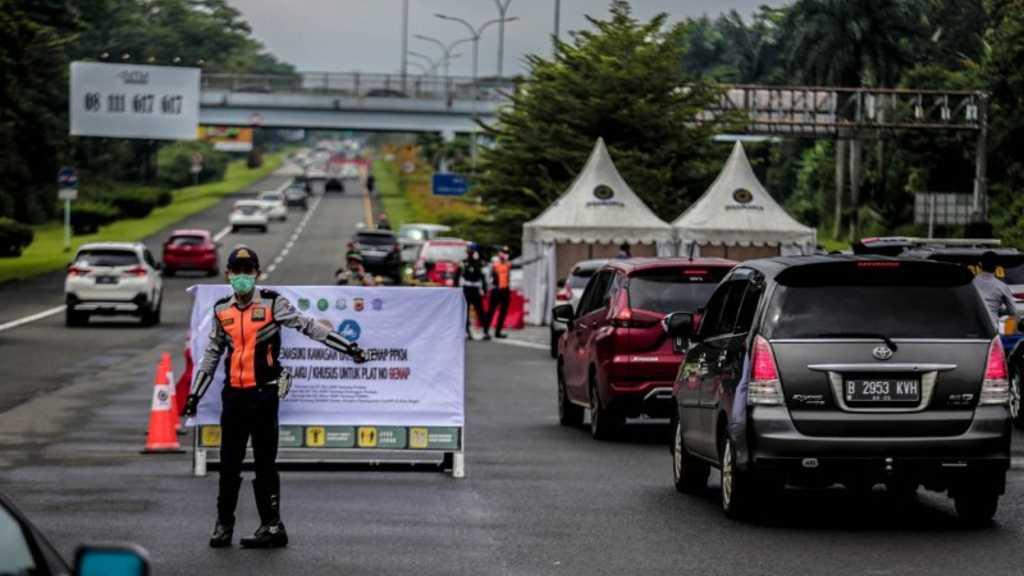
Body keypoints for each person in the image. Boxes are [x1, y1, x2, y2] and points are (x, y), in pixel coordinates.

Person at [183, 246, 368, 549]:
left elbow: (310, 327)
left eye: (248, 270)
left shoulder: (272, 303)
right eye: (237, 271)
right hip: (234, 397)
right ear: (228, 274)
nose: (242, 276)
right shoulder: (221, 309)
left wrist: (349, 347)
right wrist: (194, 395)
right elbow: (212, 354)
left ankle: (272, 526)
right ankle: (223, 525)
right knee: (229, 463)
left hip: (264, 395)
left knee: (264, 462)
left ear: (257, 273)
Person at [973, 251, 1018, 330]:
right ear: (997, 267)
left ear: (980, 265)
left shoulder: (971, 283)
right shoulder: (1002, 287)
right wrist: (999, 311)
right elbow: (1013, 311)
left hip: (972, 326)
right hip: (992, 328)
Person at [460, 244, 490, 340]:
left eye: (471, 250)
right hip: (467, 288)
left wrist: (485, 289)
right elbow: (457, 276)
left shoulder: (479, 263)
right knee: (465, 311)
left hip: (475, 289)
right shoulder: (463, 262)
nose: (469, 252)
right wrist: (456, 289)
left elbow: (483, 277)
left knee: (480, 311)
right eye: (468, 250)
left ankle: (485, 331)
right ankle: (467, 331)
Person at [489, 248, 513, 339]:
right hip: (496, 290)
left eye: (506, 253)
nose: (505, 255)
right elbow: (491, 275)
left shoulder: (508, 264)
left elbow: (520, 263)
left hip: (505, 290)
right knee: (491, 311)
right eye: (503, 253)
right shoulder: (495, 264)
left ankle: (498, 332)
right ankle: (486, 331)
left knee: (503, 312)